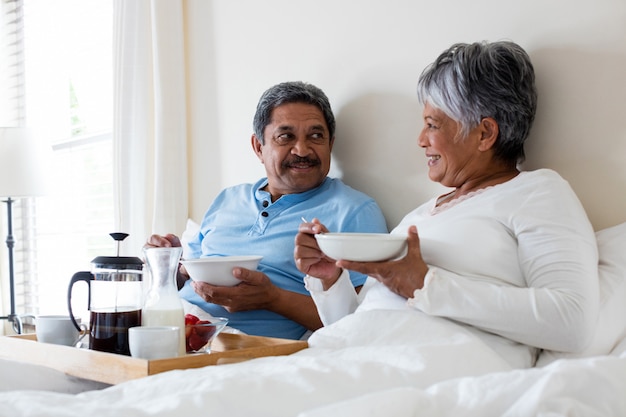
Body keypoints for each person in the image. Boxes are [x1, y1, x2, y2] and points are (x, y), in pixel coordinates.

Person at [294, 41, 600, 368]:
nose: (420, 139)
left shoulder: (538, 193)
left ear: (484, 134)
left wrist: (427, 285)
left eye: (433, 124)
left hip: (421, 364)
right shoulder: (420, 216)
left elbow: (572, 321)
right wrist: (329, 279)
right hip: (347, 353)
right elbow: (361, 320)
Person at [145, 81, 388, 340]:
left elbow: (362, 322)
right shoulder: (228, 199)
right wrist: (165, 261)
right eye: (286, 137)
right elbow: (186, 276)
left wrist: (273, 299)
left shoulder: (354, 211)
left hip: (246, 350)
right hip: (174, 329)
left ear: (331, 144)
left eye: (316, 136)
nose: (303, 150)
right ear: (258, 147)